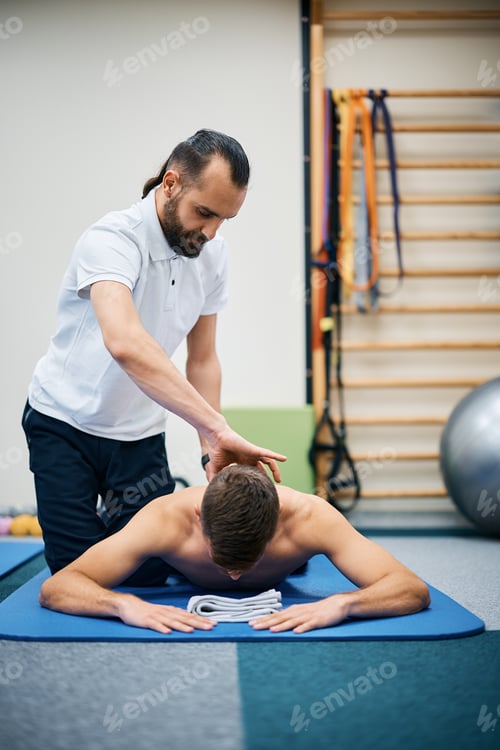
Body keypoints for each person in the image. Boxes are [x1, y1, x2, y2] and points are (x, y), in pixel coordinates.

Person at [22, 130, 286, 585]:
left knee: (147, 576)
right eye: (204, 212)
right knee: (77, 579)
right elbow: (124, 341)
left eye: (225, 219)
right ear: (170, 184)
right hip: (64, 425)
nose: (211, 232)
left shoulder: (212, 255)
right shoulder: (111, 239)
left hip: (139, 435)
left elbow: (202, 359)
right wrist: (216, 427)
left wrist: (210, 447)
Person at [39, 465, 431, 634]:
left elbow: (411, 588)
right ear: (199, 520)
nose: (236, 578)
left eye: (250, 562)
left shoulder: (311, 518)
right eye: (221, 560)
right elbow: (59, 586)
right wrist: (122, 604)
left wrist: (345, 603)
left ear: (277, 528)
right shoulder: (166, 519)